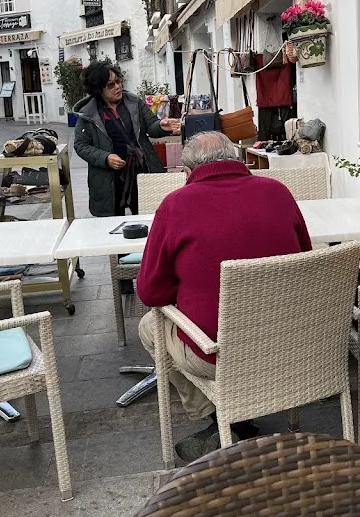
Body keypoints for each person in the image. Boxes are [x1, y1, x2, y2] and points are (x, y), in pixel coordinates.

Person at [136, 131, 313, 459]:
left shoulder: (175, 205)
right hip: (288, 345)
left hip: (218, 354)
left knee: (150, 326)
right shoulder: (278, 192)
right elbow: (305, 259)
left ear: (188, 172)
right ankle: (239, 414)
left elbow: (151, 292)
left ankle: (220, 419)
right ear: (237, 159)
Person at [73, 60, 179, 217]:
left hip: (142, 171)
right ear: (98, 89)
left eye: (118, 81)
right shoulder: (88, 114)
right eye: (110, 85)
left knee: (149, 218)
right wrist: (106, 158)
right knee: (111, 225)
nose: (117, 86)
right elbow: (81, 145)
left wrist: (161, 126)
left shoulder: (134, 102)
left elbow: (151, 126)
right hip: (108, 180)